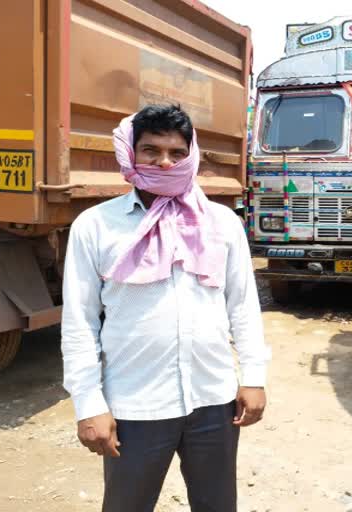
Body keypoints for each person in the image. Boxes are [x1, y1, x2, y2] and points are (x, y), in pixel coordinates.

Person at [61, 104, 269, 512]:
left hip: (214, 399)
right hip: (136, 405)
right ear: (130, 153)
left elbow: (242, 304)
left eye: (176, 152)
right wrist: (88, 404)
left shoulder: (222, 222)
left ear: (191, 154)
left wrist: (255, 376)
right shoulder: (96, 225)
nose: (164, 161)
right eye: (151, 150)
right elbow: (79, 323)